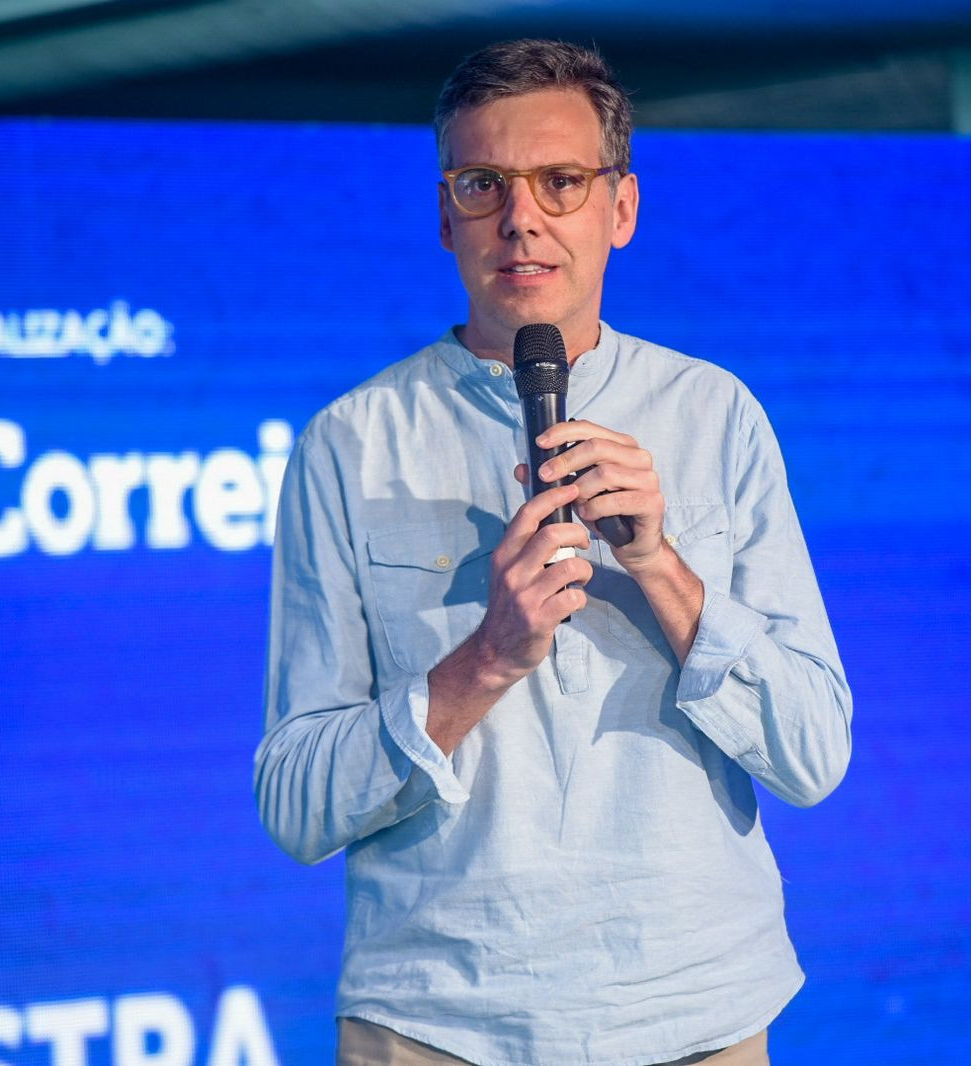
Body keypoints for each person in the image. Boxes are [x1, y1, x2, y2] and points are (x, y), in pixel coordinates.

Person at [256, 38, 852, 1066]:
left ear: (621, 207)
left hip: (696, 1009)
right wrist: (485, 658)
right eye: (483, 184)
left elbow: (813, 754)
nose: (521, 218)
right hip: (435, 1022)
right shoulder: (349, 444)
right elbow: (296, 803)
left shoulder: (715, 414)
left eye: (561, 182)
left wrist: (661, 567)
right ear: (445, 215)